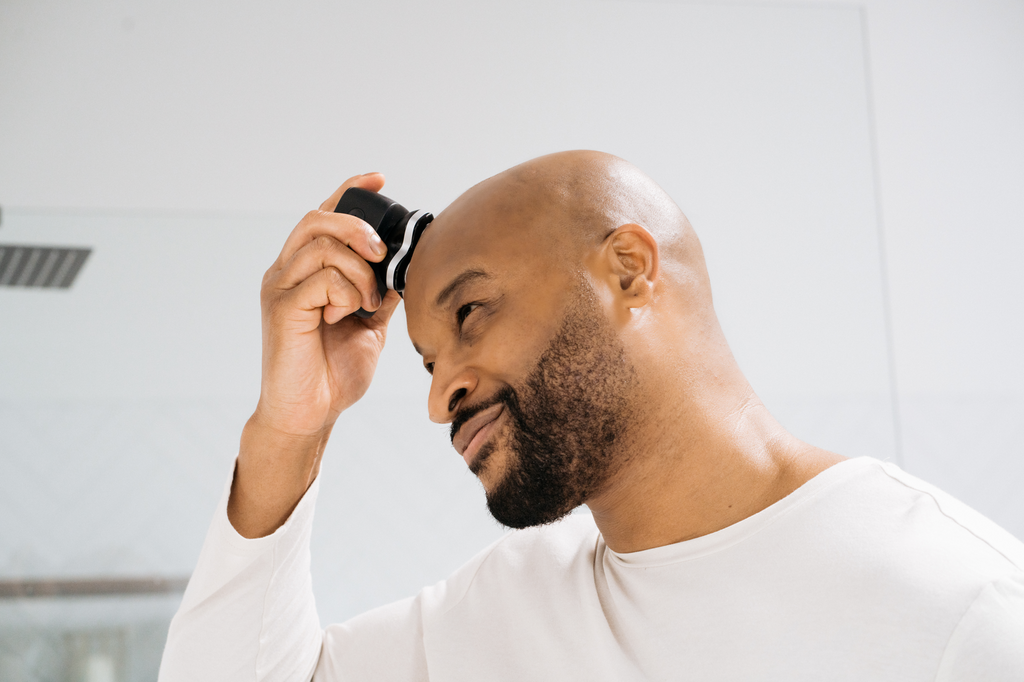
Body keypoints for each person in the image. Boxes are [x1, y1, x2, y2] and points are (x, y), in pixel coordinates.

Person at [158, 151, 1024, 681]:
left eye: (469, 315)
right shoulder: (506, 611)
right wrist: (290, 427)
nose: (437, 396)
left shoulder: (957, 610)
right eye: (425, 362)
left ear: (629, 269)